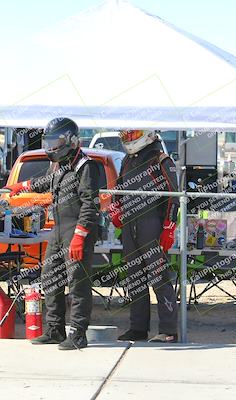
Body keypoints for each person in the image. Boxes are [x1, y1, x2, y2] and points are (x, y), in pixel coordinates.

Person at [5, 117, 100, 350]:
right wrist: (24, 186)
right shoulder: (59, 164)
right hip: (57, 228)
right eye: (48, 141)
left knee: (78, 282)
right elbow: (48, 182)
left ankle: (78, 334)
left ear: (70, 140)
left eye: (54, 141)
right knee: (50, 277)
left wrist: (80, 235)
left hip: (76, 229)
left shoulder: (86, 166)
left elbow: (90, 204)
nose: (50, 146)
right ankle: (55, 330)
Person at [109, 130, 179, 343]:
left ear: (148, 134)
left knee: (159, 278)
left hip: (153, 224)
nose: (129, 138)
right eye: (126, 134)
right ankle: (138, 329)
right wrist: (115, 209)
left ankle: (168, 330)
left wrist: (169, 226)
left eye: (134, 134)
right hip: (131, 224)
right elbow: (119, 189)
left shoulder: (161, 159)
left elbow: (174, 195)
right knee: (135, 278)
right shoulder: (128, 160)